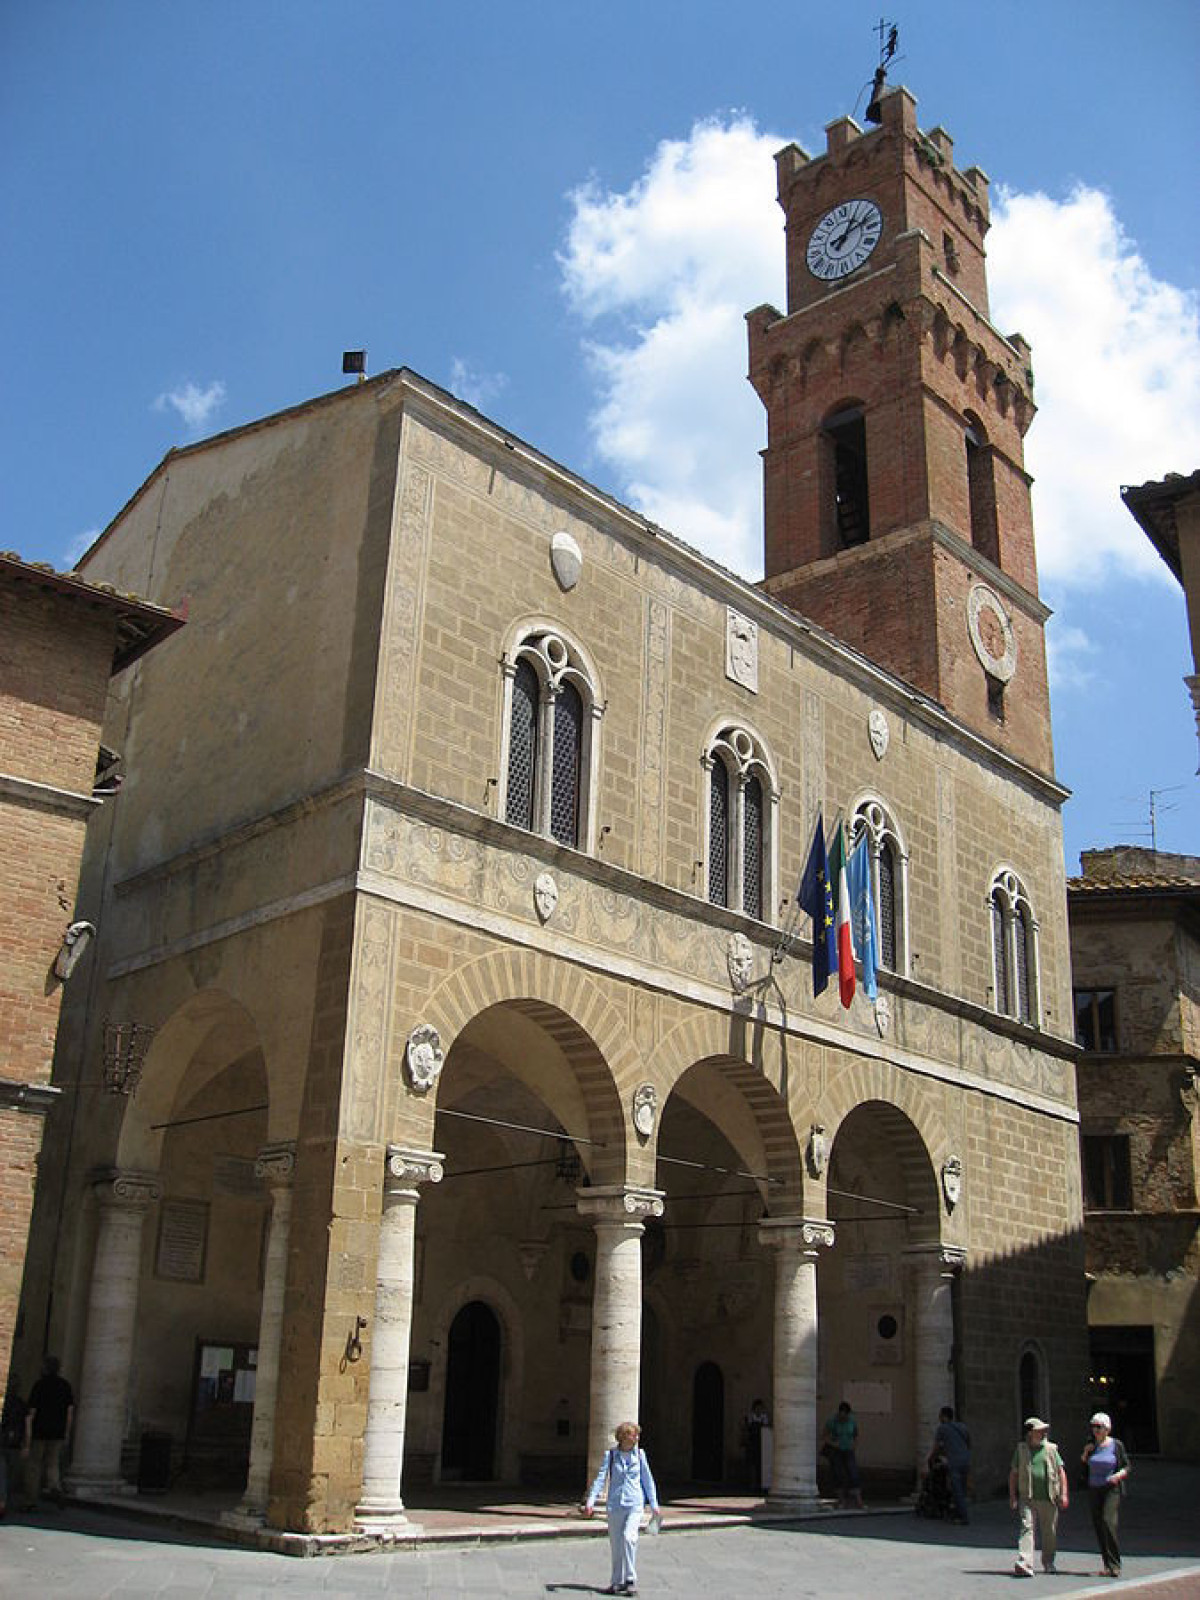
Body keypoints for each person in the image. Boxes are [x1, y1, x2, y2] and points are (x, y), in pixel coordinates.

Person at [582, 1421, 662, 1597]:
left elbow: (648, 1481)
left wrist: (654, 1505)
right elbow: (600, 1479)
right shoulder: (611, 1455)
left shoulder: (640, 1455)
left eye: (637, 1434)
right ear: (624, 1437)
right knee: (616, 1545)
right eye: (633, 1434)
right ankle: (616, 1581)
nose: (637, 1437)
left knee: (629, 1537)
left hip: (634, 1503)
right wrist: (591, 1502)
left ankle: (631, 1579)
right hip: (615, 1505)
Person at [1008, 1415, 1068, 1577]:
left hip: (1048, 1497)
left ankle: (1048, 1562)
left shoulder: (1051, 1449)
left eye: (1044, 1430)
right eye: (1039, 1431)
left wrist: (1064, 1494)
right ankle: (1025, 1563)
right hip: (1027, 1497)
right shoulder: (1021, 1450)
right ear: (1030, 1433)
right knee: (1026, 1528)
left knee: (1049, 1531)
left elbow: (1061, 1471)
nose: (1043, 1433)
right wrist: (1013, 1496)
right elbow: (1013, 1473)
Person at [1081, 1410, 1130, 1579]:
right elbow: (1084, 1464)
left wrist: (1118, 1475)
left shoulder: (1116, 1445)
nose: (1096, 1430)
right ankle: (1107, 1565)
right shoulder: (1091, 1444)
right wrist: (1086, 1452)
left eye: (1099, 1427)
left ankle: (1115, 1564)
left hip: (1111, 1488)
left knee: (1108, 1522)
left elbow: (1126, 1466)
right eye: (1093, 1427)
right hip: (1094, 1488)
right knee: (1098, 1525)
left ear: (1107, 1429)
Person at [21, 1356, 74, 1510]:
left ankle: (30, 1501)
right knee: (53, 1463)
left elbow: (31, 1412)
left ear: (45, 1368)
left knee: (34, 1465)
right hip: (57, 1432)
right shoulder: (65, 1386)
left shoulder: (39, 1385)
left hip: (39, 1431)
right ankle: (55, 1487)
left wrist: (27, 1438)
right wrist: (67, 1432)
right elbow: (70, 1412)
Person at [931, 1405, 971, 1524]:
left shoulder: (942, 1429)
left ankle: (963, 1517)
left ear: (943, 1416)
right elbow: (969, 1443)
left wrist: (932, 1458)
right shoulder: (963, 1427)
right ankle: (958, 1512)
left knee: (956, 1489)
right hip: (966, 1459)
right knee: (962, 1490)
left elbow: (937, 1447)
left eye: (940, 1415)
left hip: (954, 1461)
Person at [823, 1400, 863, 1509]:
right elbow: (825, 1435)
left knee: (853, 1473)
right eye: (842, 1415)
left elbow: (856, 1434)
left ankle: (859, 1501)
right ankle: (841, 1500)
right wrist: (833, 1443)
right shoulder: (832, 1421)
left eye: (845, 1415)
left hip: (849, 1450)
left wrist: (854, 1445)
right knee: (838, 1474)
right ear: (839, 1412)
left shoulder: (852, 1421)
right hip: (836, 1451)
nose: (843, 1418)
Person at [745, 1398, 769, 1493]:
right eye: (757, 1408)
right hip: (752, 1443)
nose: (759, 1409)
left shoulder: (764, 1417)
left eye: (761, 1408)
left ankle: (761, 1484)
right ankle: (752, 1484)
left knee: (761, 1464)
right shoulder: (750, 1417)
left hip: (762, 1443)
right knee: (752, 1464)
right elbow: (747, 1428)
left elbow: (766, 1427)